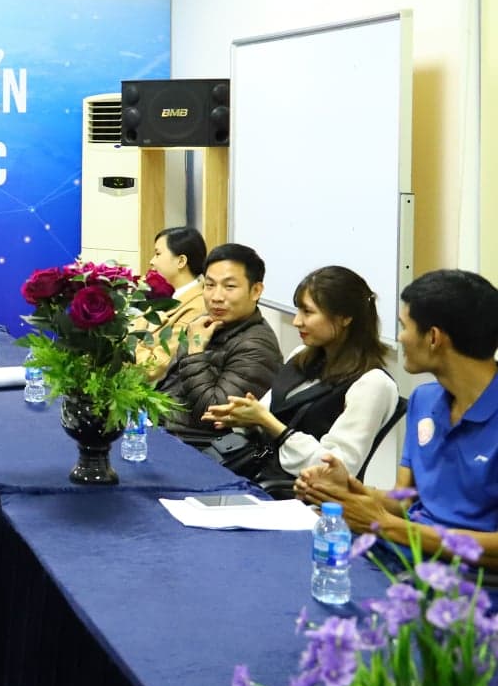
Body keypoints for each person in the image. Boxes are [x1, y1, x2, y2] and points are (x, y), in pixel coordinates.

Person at [297, 269, 498, 567]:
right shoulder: (424, 399)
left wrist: (386, 525)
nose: (400, 338)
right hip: (400, 554)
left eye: (404, 326)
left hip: (465, 581)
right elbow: (406, 500)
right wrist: (347, 489)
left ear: (433, 338)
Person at [201, 266, 398, 495]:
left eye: (308, 312)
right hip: (257, 471)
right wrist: (243, 416)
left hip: (300, 495)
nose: (296, 321)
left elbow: (334, 468)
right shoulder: (302, 356)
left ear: (345, 318)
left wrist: (268, 423)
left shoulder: (372, 384)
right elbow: (267, 411)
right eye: (298, 310)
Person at [155, 242, 282, 444]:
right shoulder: (205, 323)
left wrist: (195, 350)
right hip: (166, 428)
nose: (216, 297)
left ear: (256, 290)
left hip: (199, 446)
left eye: (229, 286)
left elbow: (213, 413)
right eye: (210, 285)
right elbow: (171, 385)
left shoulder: (257, 346)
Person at [134, 225, 206, 376]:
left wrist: (136, 331)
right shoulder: (169, 297)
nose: (152, 261)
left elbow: (152, 368)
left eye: (158, 254)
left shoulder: (196, 308)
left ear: (181, 261)